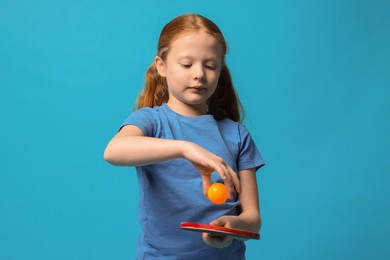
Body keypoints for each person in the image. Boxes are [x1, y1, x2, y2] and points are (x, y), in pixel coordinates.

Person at [104, 13, 265, 259]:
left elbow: (252, 219)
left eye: (210, 65)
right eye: (187, 64)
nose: (199, 74)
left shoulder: (237, 135)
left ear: (220, 70)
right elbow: (113, 151)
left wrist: (231, 228)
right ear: (161, 66)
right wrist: (185, 148)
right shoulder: (151, 121)